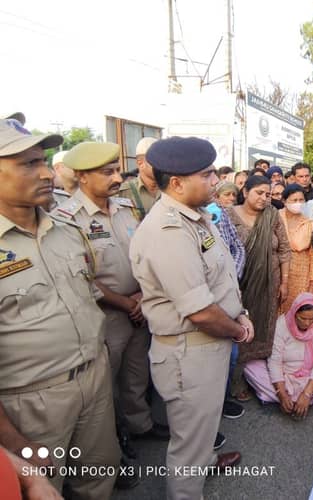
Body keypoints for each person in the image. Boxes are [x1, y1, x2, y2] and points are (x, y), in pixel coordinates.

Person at [0, 121, 121, 498]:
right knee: (42, 487)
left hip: (95, 380)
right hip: (31, 402)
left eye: (44, 161)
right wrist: (11, 439)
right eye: (28, 163)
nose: (46, 173)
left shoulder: (67, 231)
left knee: (99, 476)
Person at [129, 136, 247, 500]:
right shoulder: (168, 232)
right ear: (177, 183)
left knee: (202, 428)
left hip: (206, 347)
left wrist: (240, 312)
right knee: (188, 444)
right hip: (190, 353)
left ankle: (205, 460)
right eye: (207, 174)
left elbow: (221, 279)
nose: (216, 181)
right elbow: (200, 311)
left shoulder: (195, 216)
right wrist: (239, 330)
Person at [53, 142, 163, 457]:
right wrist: (125, 303)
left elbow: (145, 254)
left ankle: (140, 425)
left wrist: (141, 295)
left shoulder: (126, 208)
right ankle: (116, 439)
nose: (117, 178)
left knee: (137, 373)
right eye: (107, 172)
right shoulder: (65, 219)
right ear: (83, 177)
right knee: (106, 384)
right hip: (106, 315)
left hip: (139, 307)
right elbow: (80, 278)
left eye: (117, 170)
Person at [226, 175, 291, 401]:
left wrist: (284, 282)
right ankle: (236, 379)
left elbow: (284, 250)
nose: (264, 198)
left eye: (268, 194)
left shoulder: (272, 215)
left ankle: (258, 377)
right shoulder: (228, 215)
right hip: (239, 287)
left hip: (269, 285)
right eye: (259, 193)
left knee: (264, 328)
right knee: (239, 330)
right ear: (245, 192)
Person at [244, 293, 313, 417]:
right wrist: (281, 393)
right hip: (285, 374)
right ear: (294, 313)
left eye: (311, 319)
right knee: (250, 367)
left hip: (310, 376)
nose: (307, 323)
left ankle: (291, 401)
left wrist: (307, 394)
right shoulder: (282, 323)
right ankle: (294, 402)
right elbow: (275, 360)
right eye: (303, 318)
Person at [278, 184, 313, 313]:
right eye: (294, 200)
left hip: (302, 274)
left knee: (296, 311)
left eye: (301, 200)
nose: (298, 203)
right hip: (278, 272)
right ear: (284, 201)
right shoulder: (276, 218)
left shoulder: (309, 223)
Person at [116, 137, 160, 221]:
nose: (162, 165)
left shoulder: (170, 189)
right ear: (140, 163)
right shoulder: (124, 192)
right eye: (156, 161)